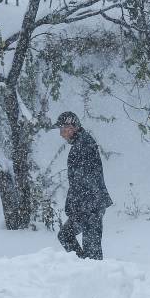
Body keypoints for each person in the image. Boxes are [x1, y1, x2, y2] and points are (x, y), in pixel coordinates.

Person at [53, 111, 113, 260]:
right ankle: (81, 266)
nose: (61, 134)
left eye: (63, 129)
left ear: (72, 127)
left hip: (91, 207)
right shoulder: (80, 144)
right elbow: (78, 182)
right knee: (66, 235)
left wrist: (83, 207)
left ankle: (92, 274)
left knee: (92, 253)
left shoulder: (84, 144)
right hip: (86, 206)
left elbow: (85, 180)